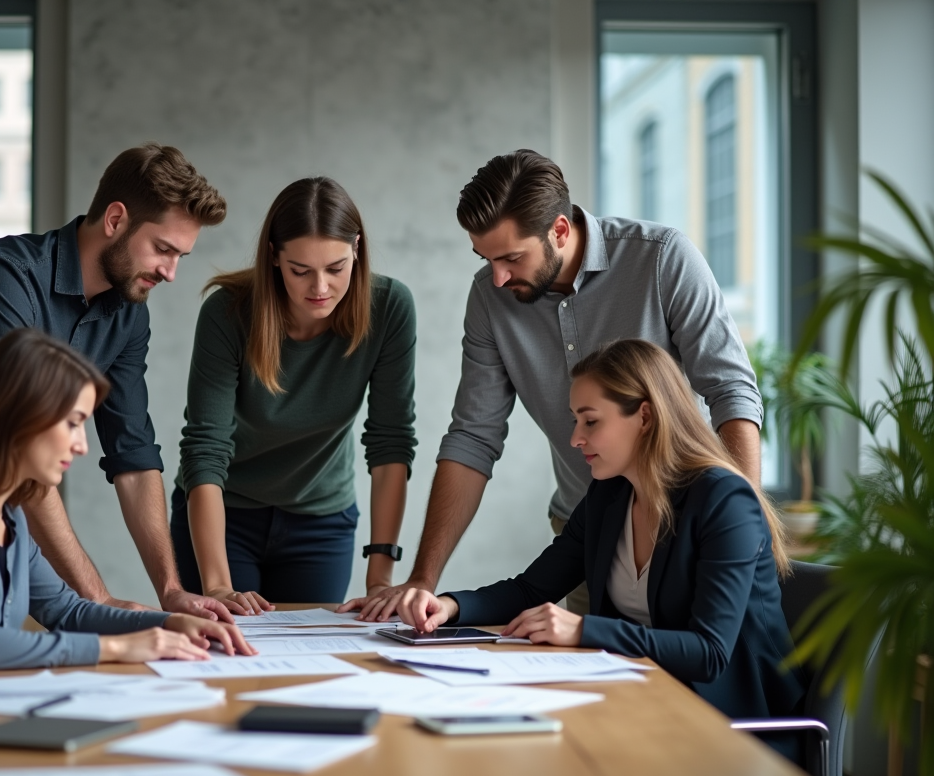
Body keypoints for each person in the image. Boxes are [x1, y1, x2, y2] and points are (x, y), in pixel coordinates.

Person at [343, 149, 763, 621]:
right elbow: (473, 438)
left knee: (689, 675)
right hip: (587, 529)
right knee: (595, 679)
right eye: (485, 258)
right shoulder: (489, 298)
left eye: (511, 258)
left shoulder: (663, 258)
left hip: (687, 524)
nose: (496, 277)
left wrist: (740, 528)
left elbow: (730, 391)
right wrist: (423, 581)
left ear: (559, 230)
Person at [0, 143, 234, 621]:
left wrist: (170, 591)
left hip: (7, 524)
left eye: (181, 255)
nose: (170, 272)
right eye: (163, 249)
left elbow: (134, 458)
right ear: (115, 220)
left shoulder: (127, 315)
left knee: (15, 672)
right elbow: (21, 439)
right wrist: (98, 599)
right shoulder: (3, 280)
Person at [0, 329, 255, 724]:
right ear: (20, 416)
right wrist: (115, 647)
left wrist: (166, 622)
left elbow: (66, 609)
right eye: (73, 423)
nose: (82, 445)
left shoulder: (10, 512)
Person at [393, 339, 804, 730]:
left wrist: (583, 630)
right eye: (576, 421)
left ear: (644, 416)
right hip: (642, 701)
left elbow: (710, 653)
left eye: (591, 421)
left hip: (734, 723)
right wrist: (449, 607)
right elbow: (529, 591)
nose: (575, 438)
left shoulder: (724, 500)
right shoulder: (609, 496)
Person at [170, 177, 417, 615]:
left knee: (312, 662)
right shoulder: (228, 313)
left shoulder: (390, 308)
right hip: (224, 513)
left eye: (336, 268)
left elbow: (390, 442)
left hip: (322, 521)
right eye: (300, 270)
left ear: (357, 249)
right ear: (274, 258)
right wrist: (219, 586)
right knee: (228, 653)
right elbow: (205, 448)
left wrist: (380, 578)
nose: (319, 287)